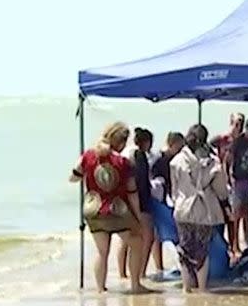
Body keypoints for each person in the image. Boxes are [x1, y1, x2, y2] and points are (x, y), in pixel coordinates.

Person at [68, 122, 148, 294]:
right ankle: (135, 284)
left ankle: (100, 289)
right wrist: (138, 217)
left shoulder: (88, 156)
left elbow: (72, 178)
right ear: (120, 142)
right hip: (117, 210)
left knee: (102, 252)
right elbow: (132, 191)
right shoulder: (123, 162)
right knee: (137, 242)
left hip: (93, 209)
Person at [170, 124, 229, 293]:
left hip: (182, 209)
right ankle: (202, 288)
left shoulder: (176, 161)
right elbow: (221, 190)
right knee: (202, 250)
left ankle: (186, 287)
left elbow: (174, 188)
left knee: (184, 249)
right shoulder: (212, 162)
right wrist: (226, 206)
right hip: (205, 211)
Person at [117, 128, 155, 278]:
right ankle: (140, 272)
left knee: (125, 239)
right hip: (139, 202)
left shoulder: (124, 153)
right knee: (146, 237)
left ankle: (122, 273)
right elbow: (141, 182)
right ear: (146, 143)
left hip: (122, 202)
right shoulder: (139, 155)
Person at [148, 131, 185, 273]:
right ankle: (159, 266)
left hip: (169, 198)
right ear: (171, 144)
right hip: (158, 200)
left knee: (168, 233)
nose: (180, 150)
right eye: (179, 147)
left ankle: (164, 265)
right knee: (157, 234)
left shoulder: (174, 159)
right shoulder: (159, 160)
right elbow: (155, 182)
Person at [210, 113, 244, 256]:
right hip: (222, 180)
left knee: (235, 216)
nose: (238, 126)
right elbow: (209, 145)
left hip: (237, 179)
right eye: (236, 123)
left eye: (240, 123)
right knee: (224, 214)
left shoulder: (242, 140)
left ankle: (234, 245)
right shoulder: (222, 139)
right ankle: (225, 246)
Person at [227, 117, 248, 254]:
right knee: (236, 215)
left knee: (247, 213)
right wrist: (228, 180)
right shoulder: (238, 142)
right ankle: (234, 245)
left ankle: (247, 243)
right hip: (237, 180)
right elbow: (228, 161)